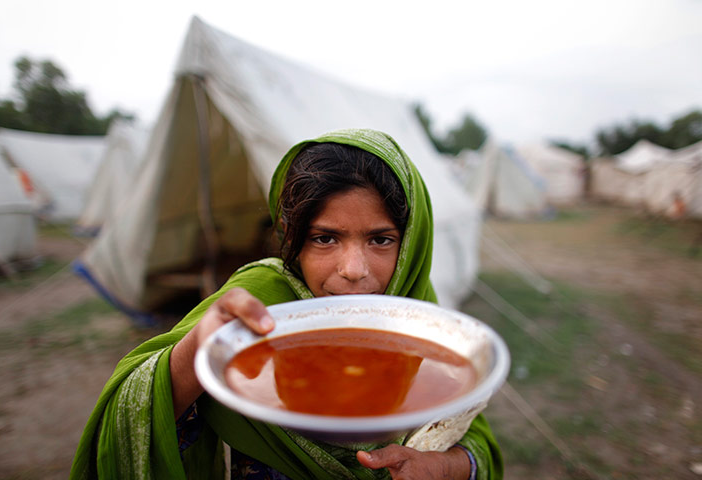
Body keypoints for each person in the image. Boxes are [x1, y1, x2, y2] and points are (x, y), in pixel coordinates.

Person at [70, 128, 503, 479]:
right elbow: (134, 411)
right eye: (325, 238)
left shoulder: (421, 317)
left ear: (411, 242)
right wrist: (202, 347)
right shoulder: (263, 302)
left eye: (381, 239)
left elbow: (471, 437)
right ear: (291, 236)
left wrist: (444, 466)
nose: (353, 269)